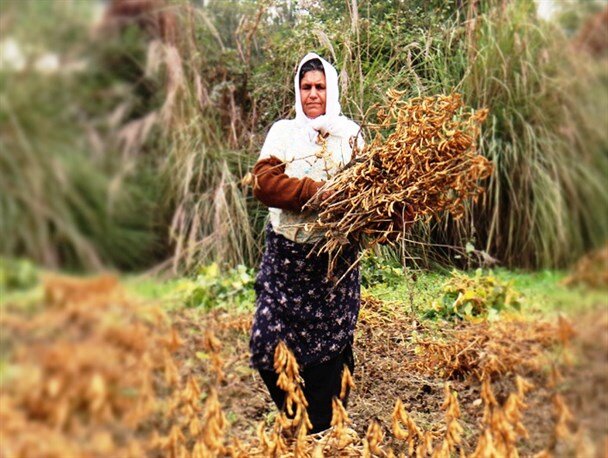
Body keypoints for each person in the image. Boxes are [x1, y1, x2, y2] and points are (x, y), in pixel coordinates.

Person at [249, 53, 364, 434]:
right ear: (298, 92)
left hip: (332, 261)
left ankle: (323, 427)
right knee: (267, 345)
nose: (313, 94)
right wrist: (315, 193)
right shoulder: (283, 132)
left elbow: (369, 194)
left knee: (328, 350)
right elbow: (264, 184)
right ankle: (297, 413)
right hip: (287, 259)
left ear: (331, 90)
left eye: (320, 87)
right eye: (306, 87)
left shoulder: (350, 134)